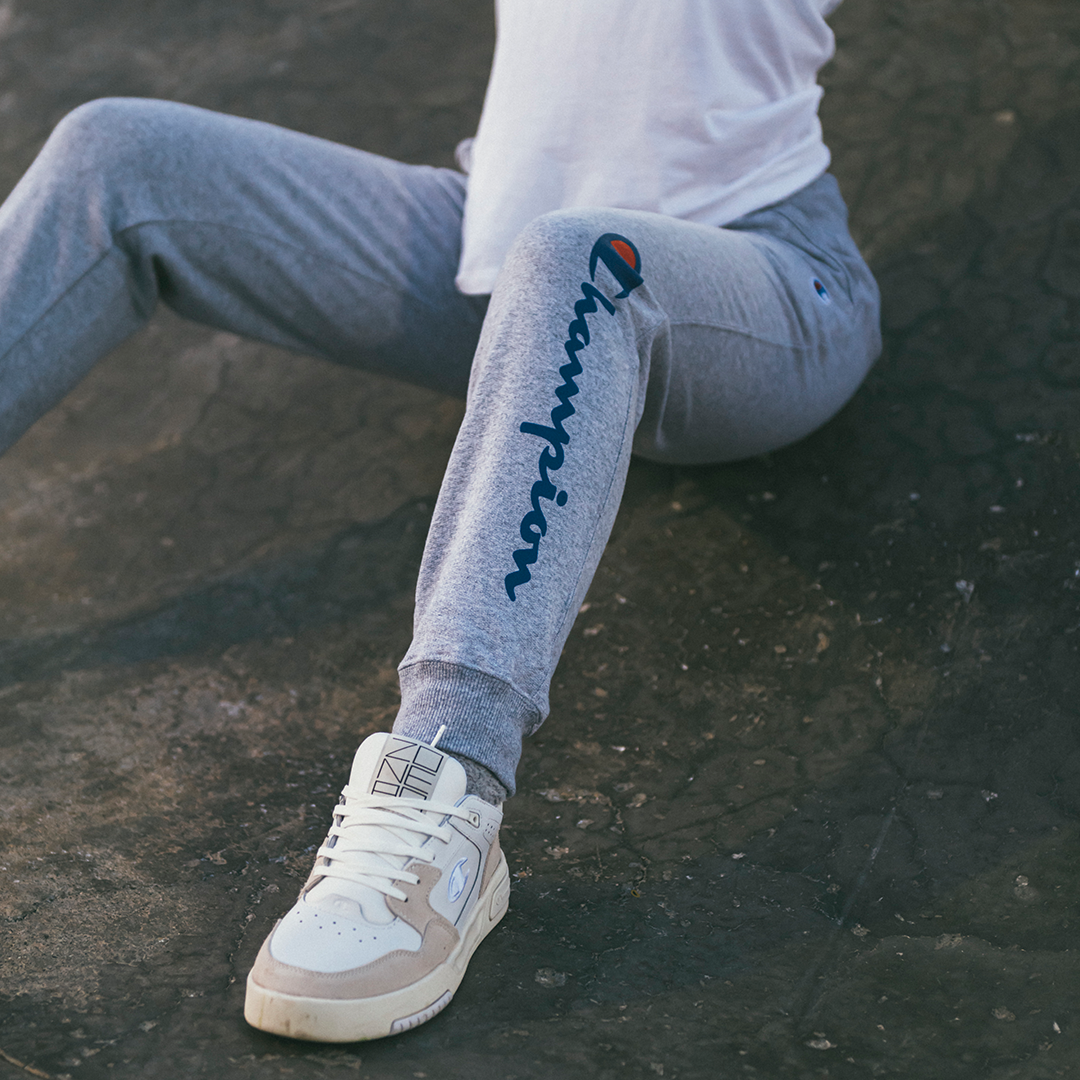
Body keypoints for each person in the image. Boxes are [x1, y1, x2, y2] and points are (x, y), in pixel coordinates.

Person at [0, 0, 880, 1044]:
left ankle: (445, 796)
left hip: (762, 288)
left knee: (578, 257)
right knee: (120, 153)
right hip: (497, 249)